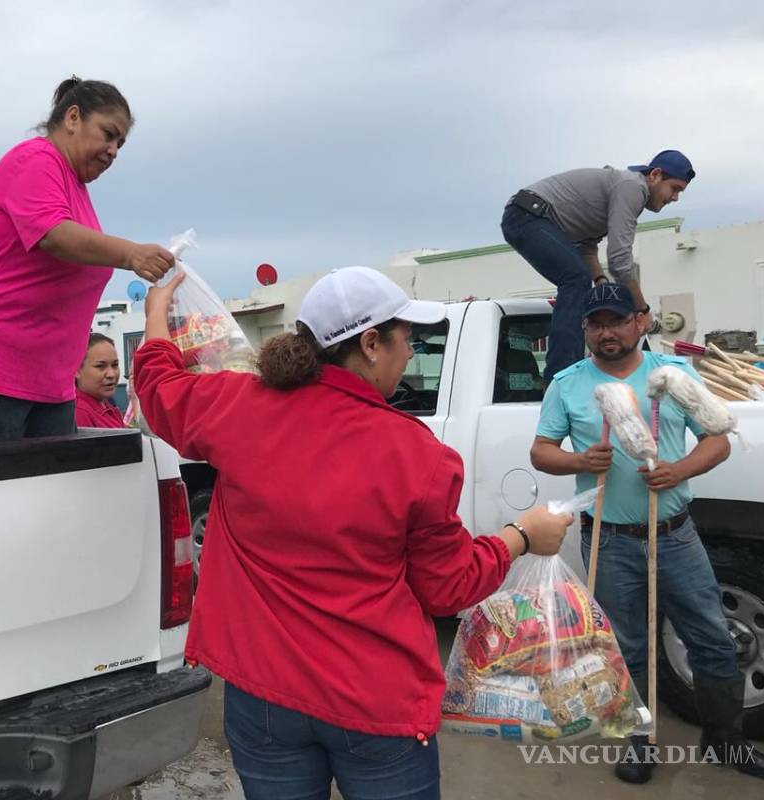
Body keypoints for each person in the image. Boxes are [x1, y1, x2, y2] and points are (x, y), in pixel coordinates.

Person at [134, 267, 572, 800]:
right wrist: (521, 535)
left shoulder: (235, 407)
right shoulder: (418, 454)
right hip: (371, 702)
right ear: (370, 344)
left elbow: (159, 386)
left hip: (262, 693)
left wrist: (157, 311)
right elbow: (447, 587)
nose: (410, 353)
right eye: (406, 340)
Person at [530, 284, 764, 783]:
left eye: (617, 321)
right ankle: (637, 743)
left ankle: (725, 743)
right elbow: (541, 451)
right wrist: (580, 460)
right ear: (585, 330)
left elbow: (718, 440)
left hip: (675, 533)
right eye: (596, 323)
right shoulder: (568, 383)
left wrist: (679, 469)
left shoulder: (674, 376)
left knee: (711, 636)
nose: (607, 332)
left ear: (640, 322)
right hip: (609, 538)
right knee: (625, 647)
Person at [0, 77, 174, 443]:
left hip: (50, 371)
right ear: (73, 117)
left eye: (120, 144)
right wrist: (131, 254)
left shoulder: (73, 184)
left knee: (52, 486)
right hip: (2, 357)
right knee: (9, 486)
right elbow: (53, 235)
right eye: (108, 134)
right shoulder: (35, 161)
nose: (113, 150)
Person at [501, 150, 693, 384]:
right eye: (675, 188)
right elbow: (620, 259)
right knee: (575, 279)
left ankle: (575, 370)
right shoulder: (633, 187)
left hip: (532, 216)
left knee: (581, 281)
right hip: (526, 216)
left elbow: (586, 246)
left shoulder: (621, 191)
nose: (675, 198)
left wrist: (600, 281)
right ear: (655, 175)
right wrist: (641, 309)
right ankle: (561, 378)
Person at [74, 332, 125, 429]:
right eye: (100, 366)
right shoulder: (79, 413)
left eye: (115, 365)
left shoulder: (107, 407)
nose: (111, 374)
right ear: (77, 370)